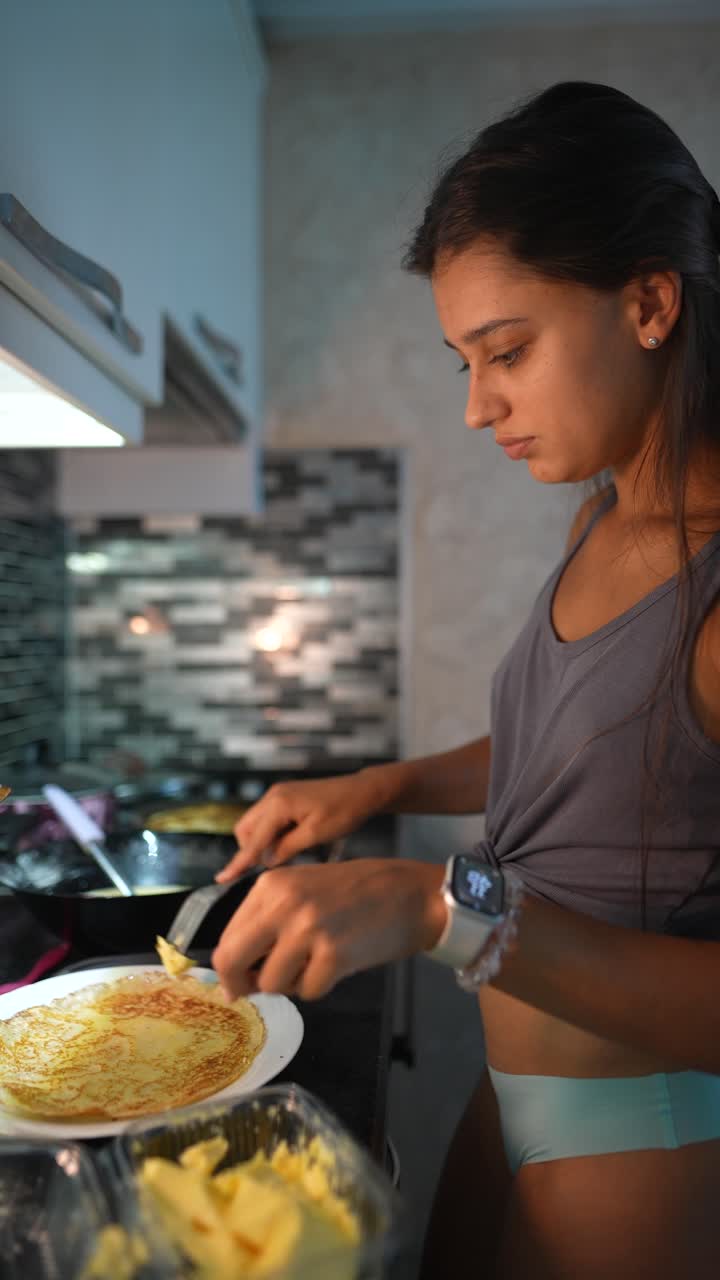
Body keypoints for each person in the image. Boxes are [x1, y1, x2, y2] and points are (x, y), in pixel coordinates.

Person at [211, 81, 720, 1279]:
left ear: (650, 302)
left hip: (640, 1145)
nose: (480, 405)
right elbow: (582, 753)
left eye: (508, 351)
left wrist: (445, 910)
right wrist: (378, 784)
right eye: (465, 362)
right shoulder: (602, 518)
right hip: (510, 1093)